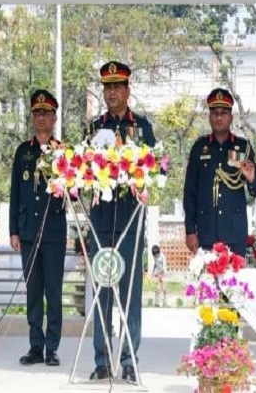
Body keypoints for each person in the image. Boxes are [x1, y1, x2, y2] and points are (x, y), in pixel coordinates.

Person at [87, 61, 156, 383]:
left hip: (130, 220)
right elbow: (84, 170)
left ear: (128, 90)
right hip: (101, 220)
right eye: (107, 87)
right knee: (101, 292)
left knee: (129, 292)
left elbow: (155, 169)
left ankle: (128, 360)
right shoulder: (93, 127)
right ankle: (102, 360)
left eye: (117, 86)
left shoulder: (142, 127)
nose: (112, 92)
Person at [9, 89, 67, 368]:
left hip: (53, 233)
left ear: (54, 117)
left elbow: (74, 193)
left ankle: (52, 348)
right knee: (33, 292)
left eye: (46, 113)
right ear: (32, 117)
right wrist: (14, 230)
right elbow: (15, 193)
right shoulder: (23, 151)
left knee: (53, 292)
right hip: (29, 232)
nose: (41, 117)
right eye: (37, 113)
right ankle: (35, 346)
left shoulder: (63, 151)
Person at [183, 88, 256, 257]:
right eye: (215, 113)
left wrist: (251, 179)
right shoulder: (199, 148)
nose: (219, 117)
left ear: (231, 117)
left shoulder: (243, 147)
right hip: (206, 232)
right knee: (206, 275)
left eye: (224, 113)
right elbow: (190, 192)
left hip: (234, 234)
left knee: (235, 275)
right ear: (209, 117)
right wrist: (190, 230)